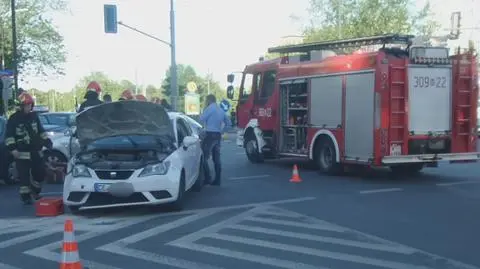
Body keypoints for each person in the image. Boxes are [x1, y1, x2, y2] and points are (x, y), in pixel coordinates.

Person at [5, 92, 53, 204]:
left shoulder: (34, 116)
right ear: (20, 106)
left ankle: (35, 189)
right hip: (21, 152)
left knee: (40, 174)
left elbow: (41, 131)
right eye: (26, 105)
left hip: (36, 150)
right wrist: (13, 149)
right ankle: (26, 197)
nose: (28, 107)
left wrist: (47, 142)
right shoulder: (14, 119)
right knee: (24, 178)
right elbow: (9, 135)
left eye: (29, 105)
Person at [199, 94, 231, 186]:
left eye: (206, 100)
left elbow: (201, 119)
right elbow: (229, 123)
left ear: (209, 100)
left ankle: (208, 178)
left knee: (204, 157)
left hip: (209, 135)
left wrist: (204, 109)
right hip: (217, 135)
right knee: (216, 158)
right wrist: (222, 131)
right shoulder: (220, 110)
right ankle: (217, 180)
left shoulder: (209, 109)